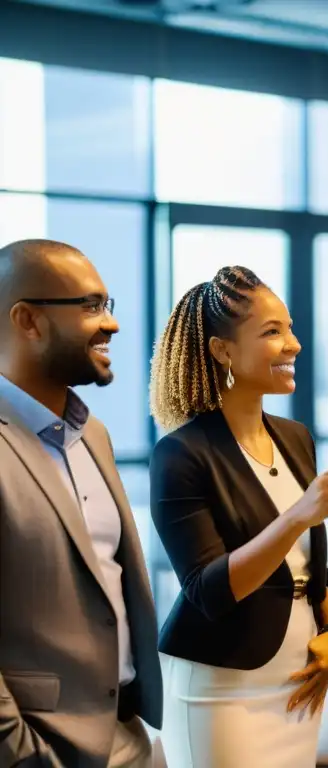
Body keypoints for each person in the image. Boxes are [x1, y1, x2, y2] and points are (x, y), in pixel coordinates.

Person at [148, 266, 328, 768]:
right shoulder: (180, 454)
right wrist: (299, 513)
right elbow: (209, 590)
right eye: (272, 332)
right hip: (220, 688)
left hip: (297, 678)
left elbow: (311, 568)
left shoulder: (295, 438)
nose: (293, 344)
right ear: (222, 350)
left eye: (289, 328)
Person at [0, 239, 162, 768]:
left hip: (129, 735)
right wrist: (25, 755)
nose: (110, 324)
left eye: (106, 306)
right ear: (28, 320)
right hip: (39, 747)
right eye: (90, 306)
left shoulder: (94, 435)